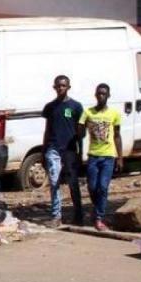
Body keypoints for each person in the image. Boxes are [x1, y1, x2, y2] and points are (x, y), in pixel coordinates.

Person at [41, 74, 84, 227]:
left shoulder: (76, 107)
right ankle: (56, 216)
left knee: (73, 183)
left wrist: (80, 152)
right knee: (54, 182)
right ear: (54, 87)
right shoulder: (50, 107)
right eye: (58, 86)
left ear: (68, 87)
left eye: (63, 85)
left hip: (70, 150)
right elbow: (47, 129)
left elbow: (80, 132)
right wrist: (43, 150)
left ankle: (78, 215)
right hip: (53, 148)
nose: (61, 88)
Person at [79, 83, 123, 231]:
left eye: (104, 94)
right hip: (93, 156)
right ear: (95, 95)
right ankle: (97, 209)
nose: (101, 96)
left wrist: (120, 157)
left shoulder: (114, 114)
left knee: (103, 187)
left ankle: (99, 217)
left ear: (108, 96)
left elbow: (117, 135)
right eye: (99, 93)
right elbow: (80, 131)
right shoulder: (88, 113)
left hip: (108, 156)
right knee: (92, 187)